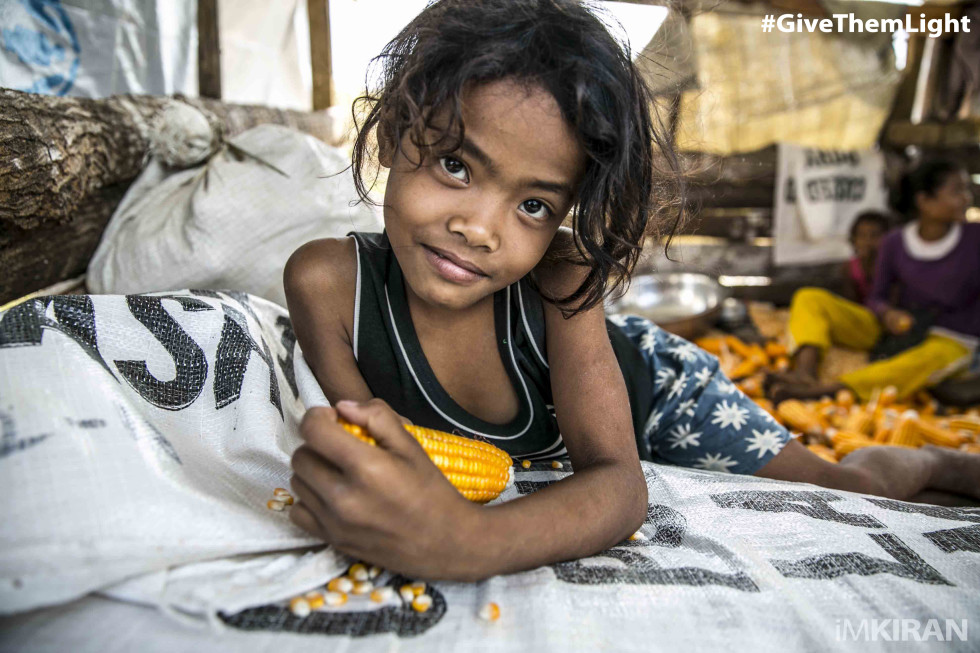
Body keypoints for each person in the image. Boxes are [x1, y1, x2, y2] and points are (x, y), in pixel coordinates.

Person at [284, 0, 980, 581]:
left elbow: (618, 483)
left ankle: (933, 459)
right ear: (395, 135)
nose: (479, 228)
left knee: (847, 492)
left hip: (660, 396)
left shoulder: (562, 278)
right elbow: (366, 444)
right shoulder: (326, 285)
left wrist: (466, 541)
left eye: (533, 205)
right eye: (456, 164)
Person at [770, 160, 978, 404]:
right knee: (809, 298)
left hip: (952, 338)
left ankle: (827, 391)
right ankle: (805, 373)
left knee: (924, 362)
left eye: (965, 190)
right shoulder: (895, 242)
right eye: (957, 191)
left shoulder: (974, 239)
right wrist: (887, 313)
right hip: (898, 332)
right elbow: (876, 297)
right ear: (924, 202)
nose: (967, 199)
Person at [839, 211, 891, 305]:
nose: (868, 241)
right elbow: (850, 302)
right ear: (854, 239)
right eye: (862, 236)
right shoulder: (849, 268)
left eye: (875, 236)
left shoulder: (893, 266)